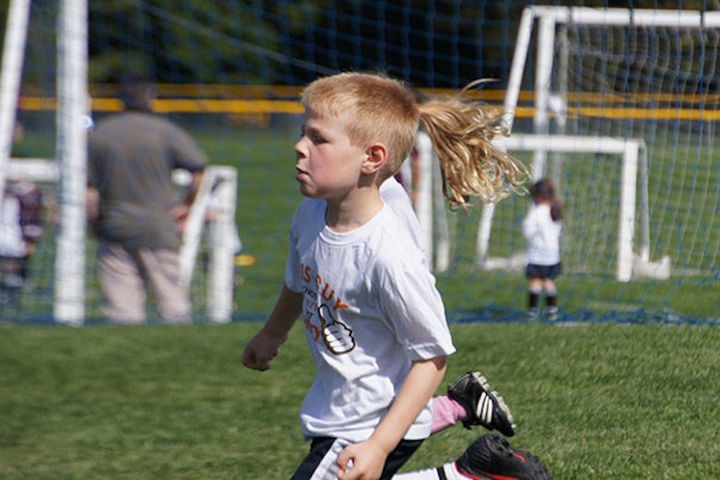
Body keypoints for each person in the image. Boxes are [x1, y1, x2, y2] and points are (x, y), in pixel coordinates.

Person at [242, 72, 547, 480]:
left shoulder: (388, 256)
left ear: (372, 159)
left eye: (318, 138)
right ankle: (473, 470)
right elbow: (300, 280)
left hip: (371, 420)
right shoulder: (311, 212)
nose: (300, 146)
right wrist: (271, 334)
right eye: (303, 133)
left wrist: (380, 445)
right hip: (344, 407)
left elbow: (431, 358)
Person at [86, 76, 206, 324]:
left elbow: (89, 190)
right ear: (151, 98)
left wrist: (94, 221)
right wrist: (187, 205)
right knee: (172, 304)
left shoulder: (101, 133)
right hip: (157, 226)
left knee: (121, 309)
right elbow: (199, 171)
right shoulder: (166, 131)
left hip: (115, 224)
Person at [522, 178, 563, 320]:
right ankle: (552, 310)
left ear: (538, 196)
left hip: (537, 255)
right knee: (549, 282)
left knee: (536, 282)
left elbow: (527, 229)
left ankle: (532, 311)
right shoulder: (555, 210)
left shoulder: (536, 212)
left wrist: (532, 235)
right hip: (553, 256)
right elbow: (558, 230)